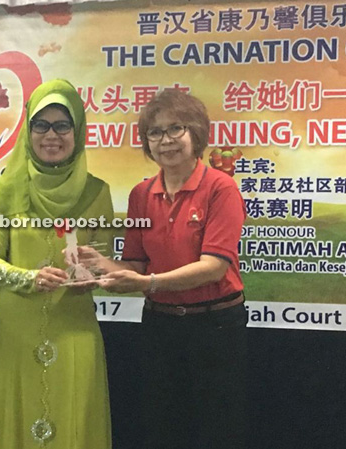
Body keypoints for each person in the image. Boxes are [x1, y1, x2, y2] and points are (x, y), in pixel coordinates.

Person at [82, 88, 247, 449]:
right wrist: (98, 265)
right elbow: (137, 263)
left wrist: (147, 281)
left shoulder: (221, 188)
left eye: (176, 129)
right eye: (155, 133)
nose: (166, 141)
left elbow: (214, 267)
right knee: (163, 424)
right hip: (161, 324)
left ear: (196, 134)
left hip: (215, 324)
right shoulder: (142, 195)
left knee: (217, 427)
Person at [0, 79, 113, 449]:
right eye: (41, 125)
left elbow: (105, 258)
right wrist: (28, 278)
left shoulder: (97, 191)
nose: (51, 135)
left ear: (77, 131)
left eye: (62, 125)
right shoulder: (9, 188)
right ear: (29, 131)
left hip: (74, 328)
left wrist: (93, 273)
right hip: (15, 332)